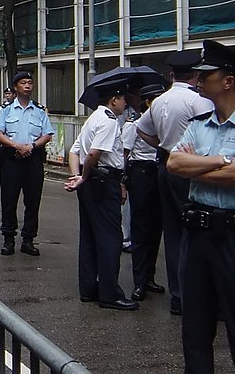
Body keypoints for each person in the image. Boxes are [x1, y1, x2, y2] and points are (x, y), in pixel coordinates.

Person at [167, 40, 235, 373]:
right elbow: (175, 164)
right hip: (197, 236)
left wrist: (201, 165)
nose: (198, 79)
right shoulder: (199, 124)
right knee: (195, 329)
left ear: (228, 80)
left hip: (231, 235)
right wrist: (221, 161)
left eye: (207, 74)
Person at [136, 49, 214, 315]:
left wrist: (164, 146)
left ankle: (178, 297)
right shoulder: (198, 101)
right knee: (196, 229)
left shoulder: (159, 101)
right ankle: (196, 295)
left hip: (165, 163)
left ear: (172, 74)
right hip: (190, 167)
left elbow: (142, 129)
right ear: (196, 74)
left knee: (172, 232)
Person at [65, 78, 138, 311]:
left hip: (91, 183)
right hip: (104, 182)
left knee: (89, 237)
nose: (126, 103)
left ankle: (88, 289)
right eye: (124, 99)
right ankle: (109, 293)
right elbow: (93, 154)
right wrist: (84, 177)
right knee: (110, 239)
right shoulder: (108, 121)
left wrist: (78, 177)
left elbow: (74, 151)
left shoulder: (92, 119)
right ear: (114, 99)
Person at [0, 72, 55, 256]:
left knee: (33, 201)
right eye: (23, 83)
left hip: (33, 160)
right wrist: (16, 146)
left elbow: (48, 134)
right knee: (9, 200)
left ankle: (28, 239)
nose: (27, 85)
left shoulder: (39, 110)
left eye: (30, 82)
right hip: (12, 159)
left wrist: (32, 146)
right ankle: (8, 239)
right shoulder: (6, 110)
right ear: (16, 87)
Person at [121, 83, 165, 301]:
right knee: (141, 228)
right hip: (141, 173)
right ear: (148, 102)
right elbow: (124, 153)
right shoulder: (134, 124)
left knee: (157, 227)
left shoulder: (163, 124)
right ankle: (139, 282)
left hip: (159, 173)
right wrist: (122, 182)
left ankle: (150, 277)